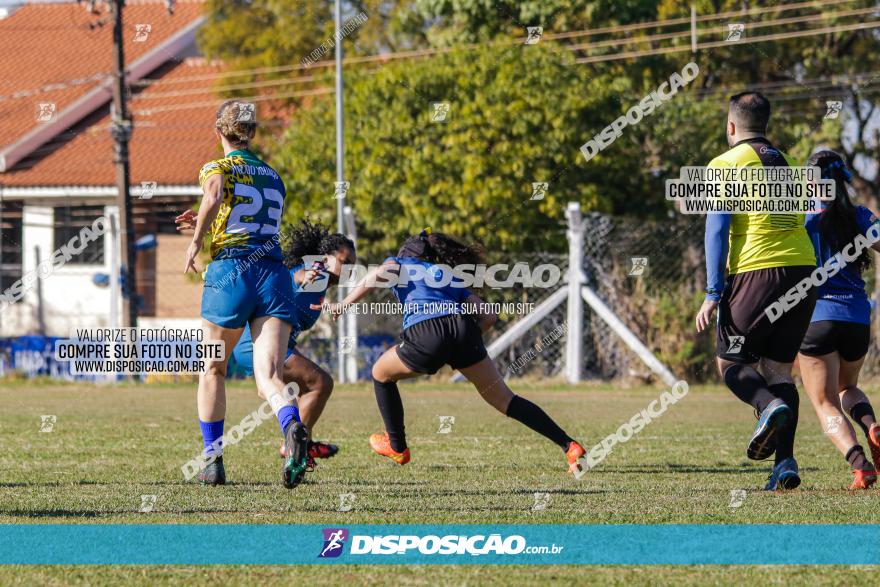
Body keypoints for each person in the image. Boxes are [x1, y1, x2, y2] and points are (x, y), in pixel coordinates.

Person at [315, 229, 586, 473]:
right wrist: (461, 346)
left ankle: (396, 446)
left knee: (380, 374)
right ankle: (570, 446)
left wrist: (343, 304)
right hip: (464, 331)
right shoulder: (446, 276)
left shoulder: (399, 263)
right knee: (505, 399)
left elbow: (380, 274)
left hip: (427, 330)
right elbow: (489, 316)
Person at [695, 92, 817, 490]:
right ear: (766, 124)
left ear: (731, 126)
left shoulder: (725, 164)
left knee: (730, 364)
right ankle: (784, 464)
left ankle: (768, 406)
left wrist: (714, 292)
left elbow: (716, 229)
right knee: (780, 370)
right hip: (803, 271)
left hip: (757, 271)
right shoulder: (789, 165)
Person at [184, 99, 307, 488]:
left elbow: (216, 193)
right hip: (273, 275)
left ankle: (212, 461)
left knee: (213, 368)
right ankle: (293, 426)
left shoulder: (216, 166)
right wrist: (209, 215)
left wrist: (196, 240)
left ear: (219, 131)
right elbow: (244, 214)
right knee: (269, 374)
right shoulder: (273, 175)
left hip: (230, 276)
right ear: (252, 133)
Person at [796, 150, 880, 489]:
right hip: (857, 318)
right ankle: (873, 426)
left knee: (824, 402)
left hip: (815, 318)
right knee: (848, 387)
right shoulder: (859, 215)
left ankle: (860, 464)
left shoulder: (800, 219)